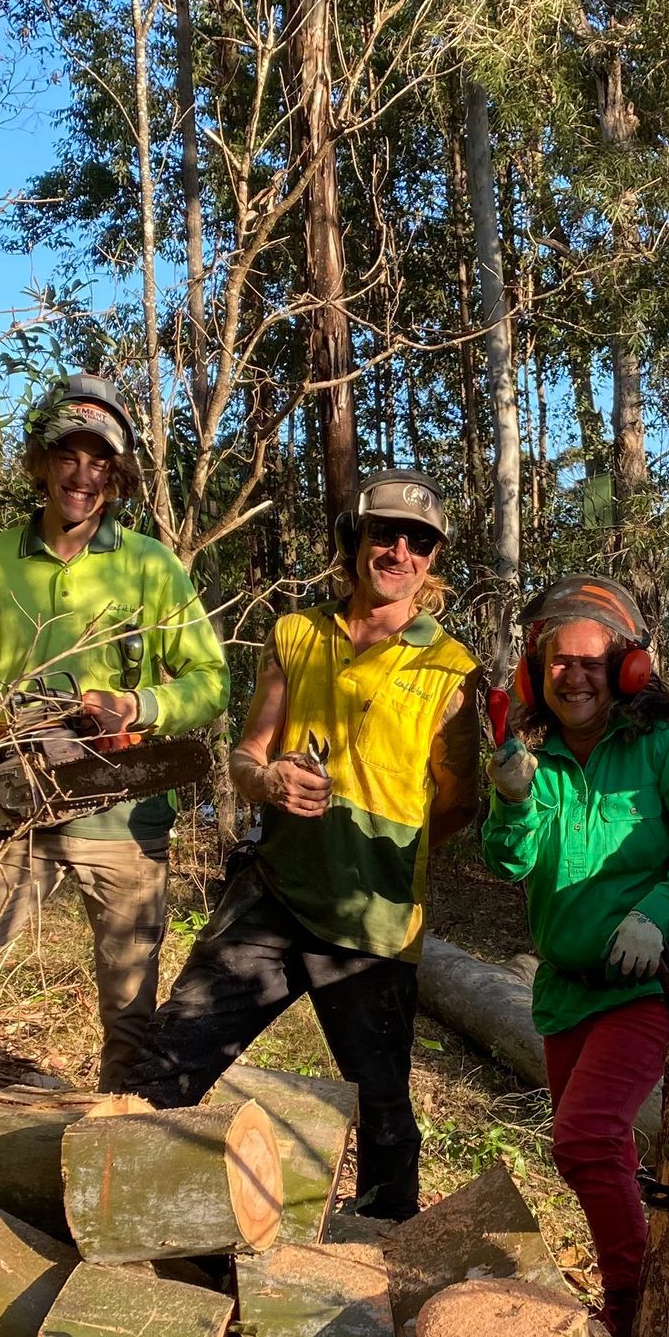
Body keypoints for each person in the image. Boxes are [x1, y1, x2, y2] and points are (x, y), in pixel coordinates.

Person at [126, 468, 480, 1220]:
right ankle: (121, 1217)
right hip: (272, 896)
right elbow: (246, 755)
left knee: (383, 1114)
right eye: (385, 533)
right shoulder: (296, 634)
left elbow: (460, 806)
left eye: (419, 541)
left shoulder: (451, 670)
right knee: (165, 1065)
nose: (399, 551)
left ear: (433, 557)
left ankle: (386, 1260)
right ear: (358, 540)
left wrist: (389, 851)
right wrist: (270, 783)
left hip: (374, 927)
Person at [0, 373, 228, 1087]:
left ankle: (113, 1147)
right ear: (43, 463)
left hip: (124, 818)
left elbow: (210, 682)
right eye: (68, 456)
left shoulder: (149, 566)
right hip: (19, 811)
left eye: (98, 462)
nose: (81, 476)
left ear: (116, 476)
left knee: (130, 1015)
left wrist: (138, 708)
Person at [482, 577, 669, 1337]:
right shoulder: (542, 765)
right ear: (536, 673)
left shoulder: (667, 750)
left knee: (585, 1139)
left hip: (645, 986)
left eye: (593, 661)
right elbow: (509, 863)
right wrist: (513, 802)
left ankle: (632, 1312)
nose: (576, 676)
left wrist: (654, 911)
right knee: (593, 1153)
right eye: (558, 662)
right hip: (565, 993)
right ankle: (652, 1271)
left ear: (629, 668)